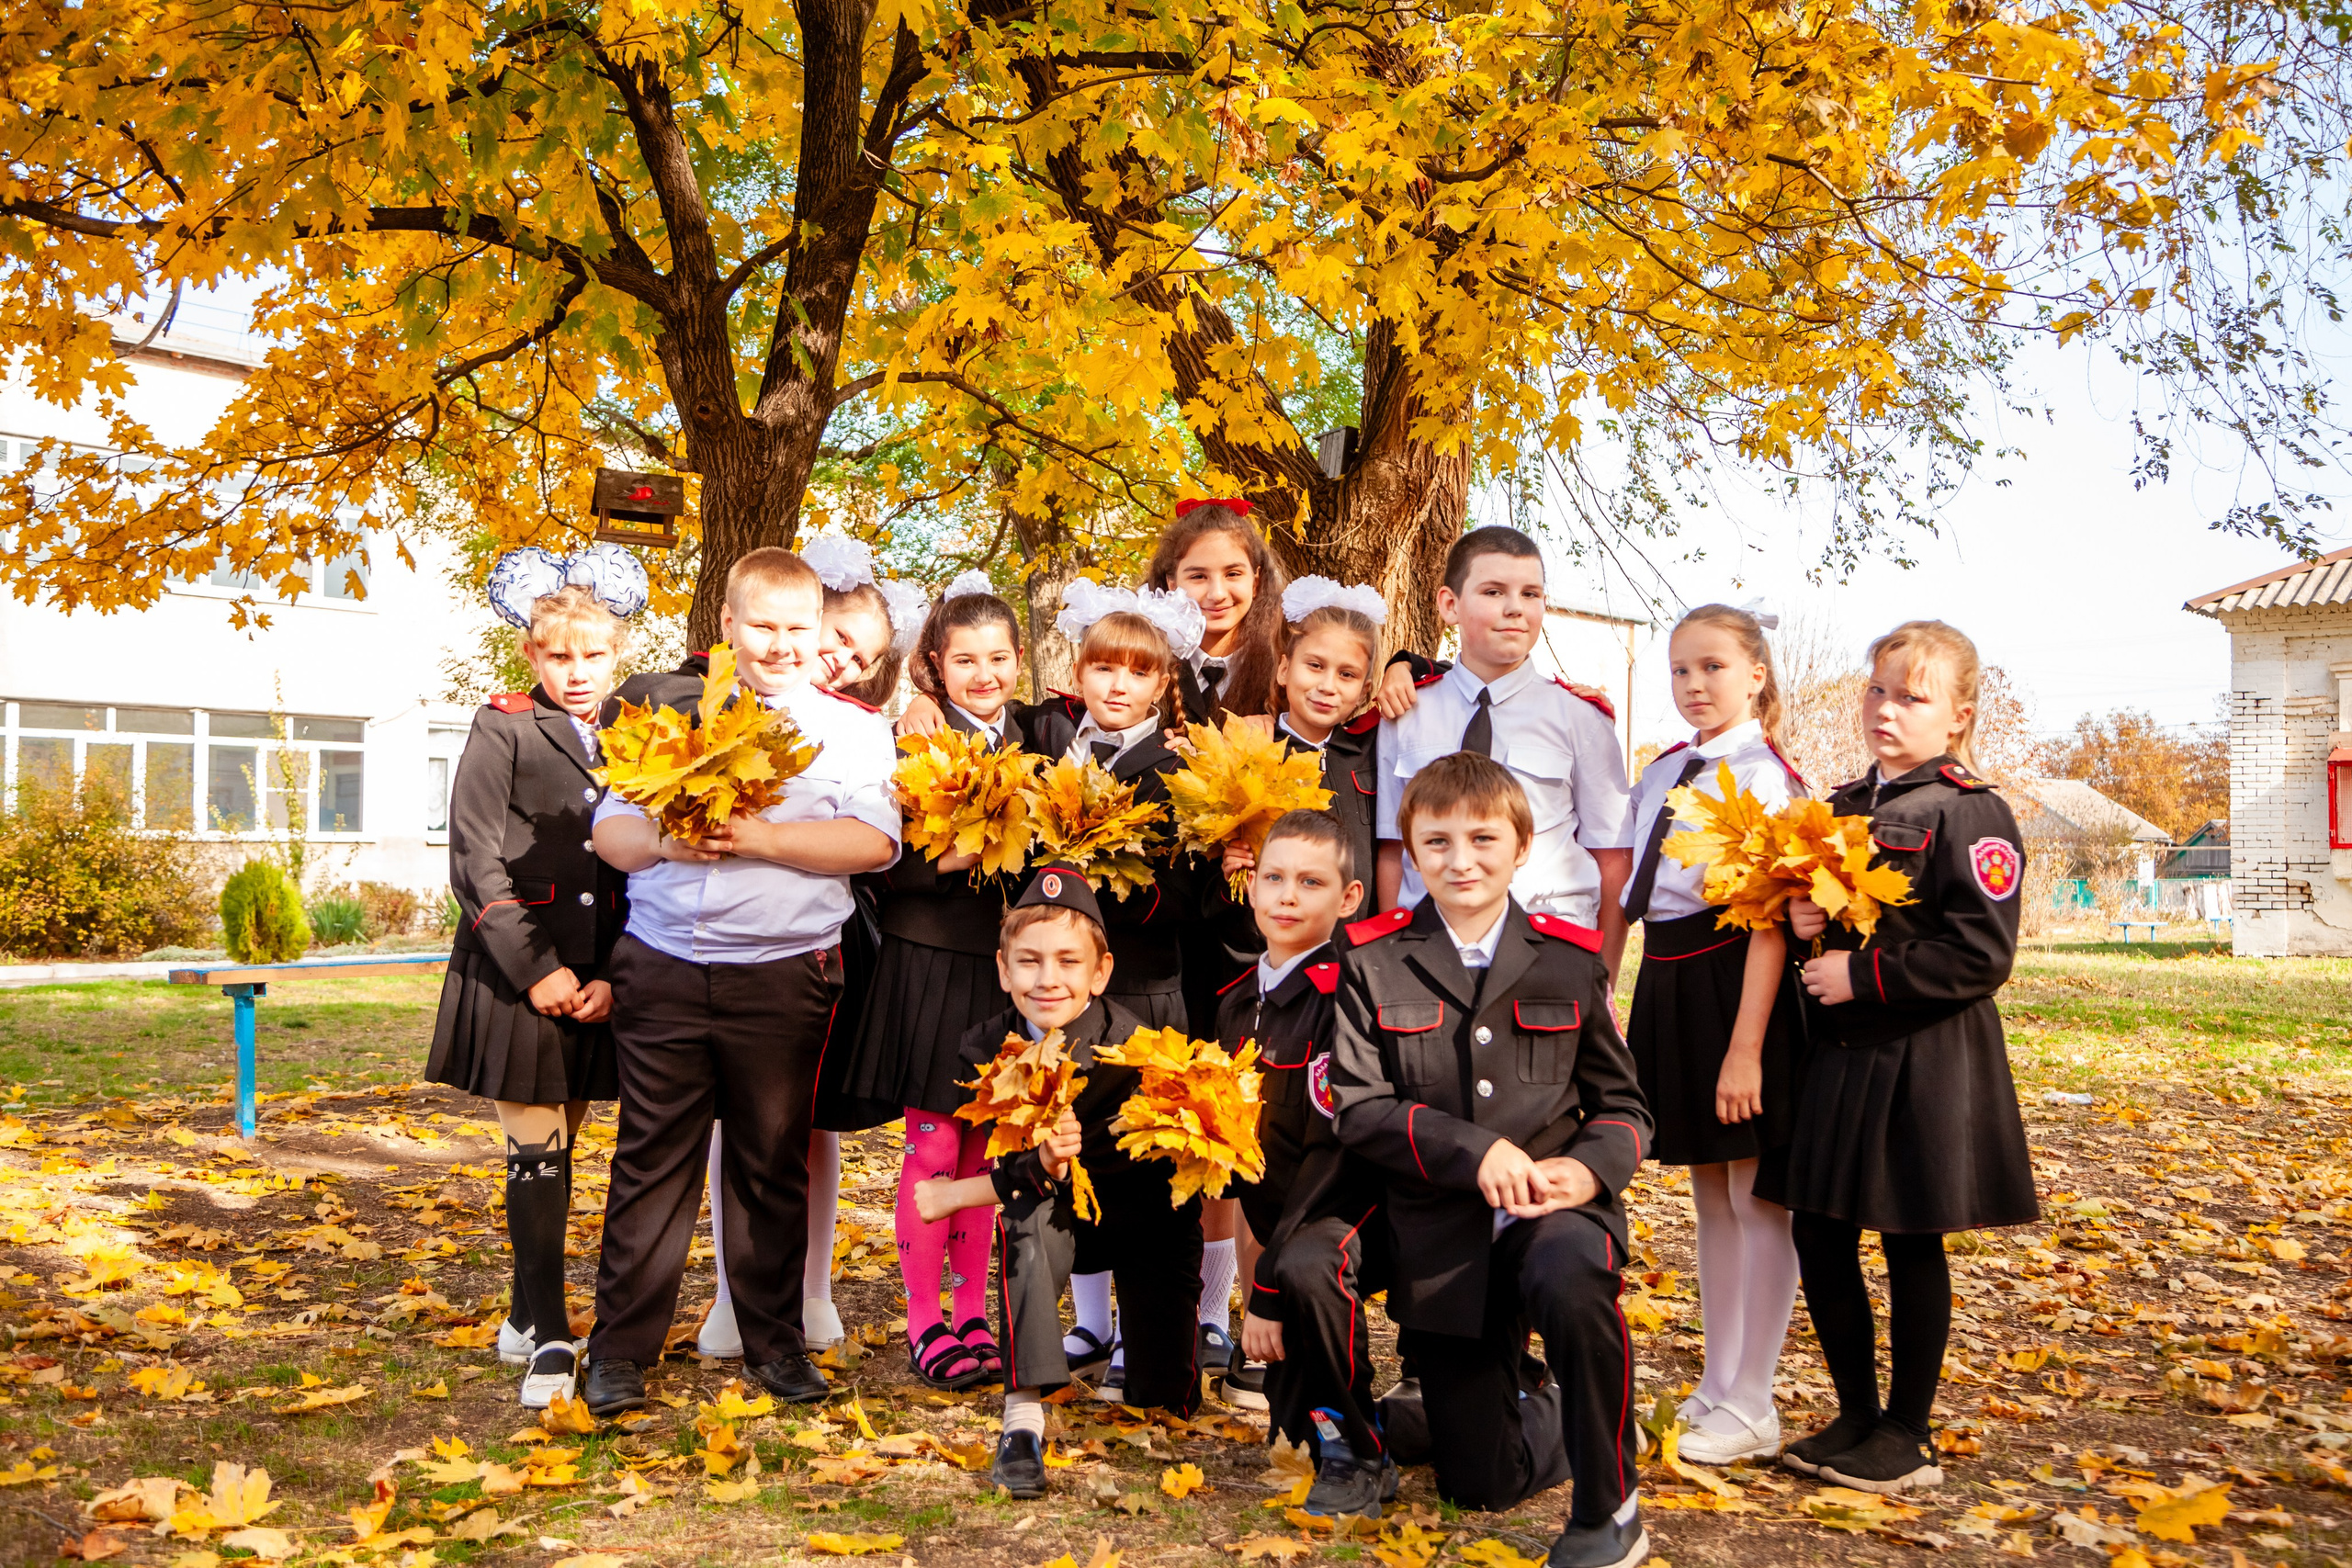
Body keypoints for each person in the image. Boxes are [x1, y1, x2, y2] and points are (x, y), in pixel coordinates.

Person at [582, 547, 901, 1414]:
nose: (782, 645)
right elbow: (609, 831)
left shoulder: (852, 728)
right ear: (726, 624)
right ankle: (618, 1353)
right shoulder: (658, 708)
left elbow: (873, 843)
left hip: (783, 971)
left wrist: (759, 840)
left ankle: (776, 1343)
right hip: (663, 964)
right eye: (763, 626)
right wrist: (668, 840)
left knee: (770, 1161)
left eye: (799, 629)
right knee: (652, 1162)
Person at [1329, 753, 1653, 1568]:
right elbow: (1360, 1108)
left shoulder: (1571, 961)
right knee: (1477, 1481)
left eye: (1483, 838)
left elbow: (1625, 1108)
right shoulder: (1371, 963)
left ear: (1521, 847)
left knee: (1575, 1281)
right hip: (1444, 1239)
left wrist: (1590, 1170)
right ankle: (1551, 1403)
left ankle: (1609, 1506)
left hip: (1553, 1216)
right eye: (1436, 840)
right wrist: (1473, 1154)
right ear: (1410, 849)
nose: (1460, 858)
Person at [1759, 620, 2038, 1494]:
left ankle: (1909, 1432)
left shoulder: (1973, 812)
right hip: (1836, 1058)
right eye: (1877, 689)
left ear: (1957, 716)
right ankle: (1854, 1412)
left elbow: (1981, 955)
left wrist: (1865, 974)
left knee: (1910, 1235)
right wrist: (1804, 923)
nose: (1887, 709)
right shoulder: (1838, 805)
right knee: (1820, 1227)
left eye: (1913, 697)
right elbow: (1822, 913)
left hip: (1923, 1055)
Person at [426, 545, 646, 1408]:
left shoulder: (637, 729)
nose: (578, 671)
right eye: (560, 655)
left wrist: (618, 974)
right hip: (517, 971)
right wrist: (539, 971)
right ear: (531, 654)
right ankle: (552, 1333)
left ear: (616, 651)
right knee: (536, 1149)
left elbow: (643, 867)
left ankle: (525, 1308)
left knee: (569, 1140)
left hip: (602, 975)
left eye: (593, 654)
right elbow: (474, 860)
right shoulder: (503, 725)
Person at [912, 865, 1205, 1499]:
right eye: (1030, 961)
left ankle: (1136, 1347)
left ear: (1100, 972)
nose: (1049, 979)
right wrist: (1036, 1165)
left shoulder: (1136, 1046)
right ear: (1003, 969)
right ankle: (1022, 1418)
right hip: (1057, 1219)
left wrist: (958, 1194)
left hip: (1145, 1225)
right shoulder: (986, 1049)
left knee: (1165, 1402)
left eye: (1069, 961)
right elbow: (1013, 1167)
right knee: (1023, 1218)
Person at [692, 554, 917, 1360]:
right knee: (734, 1120)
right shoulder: (711, 697)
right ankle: (732, 1289)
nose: (842, 660)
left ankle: (812, 1286)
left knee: (808, 1119)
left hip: (834, 936)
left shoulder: (865, 729)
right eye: (841, 638)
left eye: (862, 658)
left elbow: (872, 837)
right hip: (720, 944)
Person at [1615, 604, 1806, 1466]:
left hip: (1739, 982)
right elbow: (1628, 891)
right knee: (1708, 1192)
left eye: (1714, 668)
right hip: (1670, 977)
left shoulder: (1767, 779)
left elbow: (1769, 921)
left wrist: (1746, 1046)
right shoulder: (1661, 773)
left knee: (1757, 1193)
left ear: (1755, 675)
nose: (1695, 685)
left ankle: (1756, 1396)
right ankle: (1719, 1380)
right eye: (1681, 669)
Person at [839, 572, 1033, 1389]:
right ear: (934, 668)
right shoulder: (909, 740)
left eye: (996, 657)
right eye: (964, 660)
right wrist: (954, 853)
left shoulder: (1043, 735)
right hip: (928, 964)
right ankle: (926, 1321)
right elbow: (885, 867)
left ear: (1019, 660)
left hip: (1008, 973)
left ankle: (973, 1313)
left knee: (988, 1144)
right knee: (935, 1144)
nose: (982, 674)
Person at [1019, 581, 1205, 1398]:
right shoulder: (1056, 748)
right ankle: (1089, 1317)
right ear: (1079, 673)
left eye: (1137, 671)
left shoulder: (1177, 766)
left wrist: (1111, 878)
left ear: (1164, 683)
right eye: (1102, 668)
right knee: (1075, 1136)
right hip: (1067, 993)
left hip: (1146, 983)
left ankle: (1145, 1332)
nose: (1117, 685)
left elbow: (1191, 896)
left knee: (1144, 1156)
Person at [1213, 576, 1384, 1408]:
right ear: (1281, 666)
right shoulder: (1242, 742)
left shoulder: (1370, 759)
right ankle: (1250, 1318)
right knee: (1251, 1156)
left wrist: (1410, 666)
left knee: (1314, 1149)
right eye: (1312, 665)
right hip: (1243, 971)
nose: (1327, 684)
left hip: (1335, 982)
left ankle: (1302, 1320)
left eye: (1348, 674)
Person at [1221, 811, 1396, 1517]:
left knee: (1304, 1268)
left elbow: (1335, 1154)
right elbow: (1236, 1157)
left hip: (1350, 1219)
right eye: (1274, 878)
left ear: (1349, 898)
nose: (1287, 896)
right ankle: (1355, 1418)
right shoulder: (1236, 1003)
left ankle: (1362, 1450)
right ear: (1251, 885)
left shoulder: (1343, 997)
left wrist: (1266, 1284)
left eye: (1311, 881)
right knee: (1292, 1426)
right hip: (1282, 1227)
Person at [1372, 526, 1634, 980]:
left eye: (1530, 593)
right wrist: (1392, 961)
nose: (1515, 607)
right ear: (1450, 605)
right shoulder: (1405, 712)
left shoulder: (1580, 718)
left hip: (1550, 949)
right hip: (1431, 949)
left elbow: (1613, 859)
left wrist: (1603, 979)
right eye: (1494, 591)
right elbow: (1395, 849)